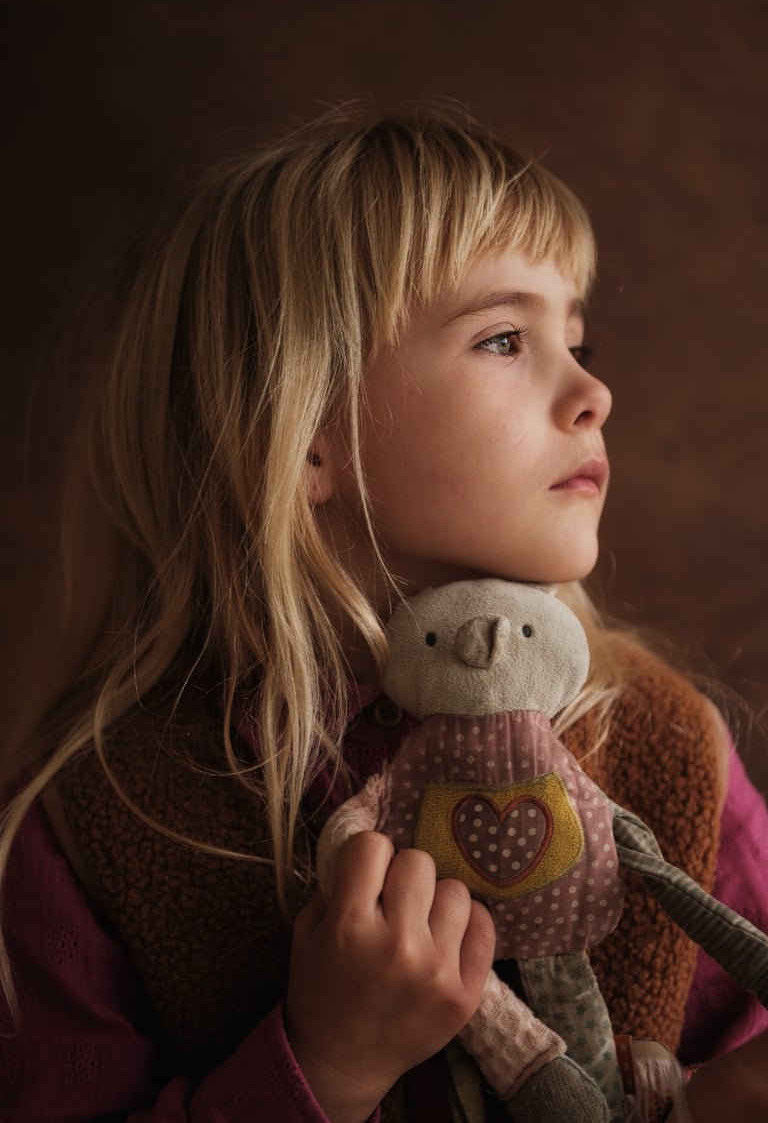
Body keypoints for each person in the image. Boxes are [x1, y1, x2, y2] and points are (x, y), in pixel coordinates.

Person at [0, 107, 766, 1123]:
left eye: (574, 338)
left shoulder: (666, 743)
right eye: (504, 337)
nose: (594, 391)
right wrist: (324, 1062)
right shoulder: (92, 821)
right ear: (302, 436)